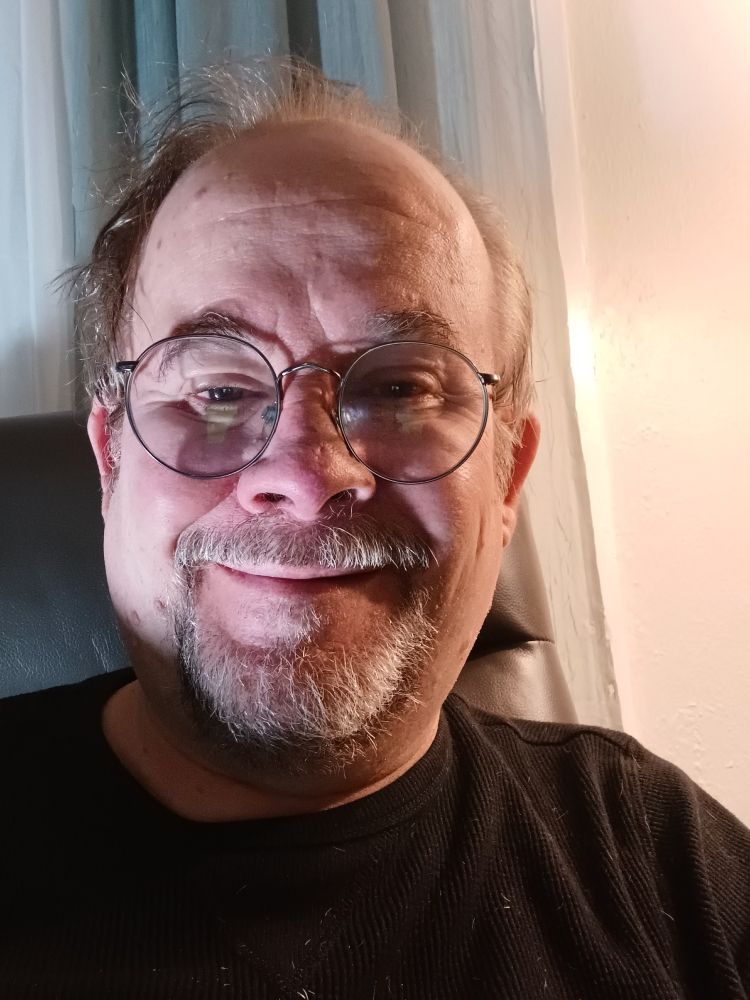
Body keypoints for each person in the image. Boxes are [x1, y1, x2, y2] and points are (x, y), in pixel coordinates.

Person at [1, 62, 748, 999]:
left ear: (508, 472)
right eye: (219, 390)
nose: (306, 477)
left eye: (400, 388)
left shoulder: (659, 860)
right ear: (111, 460)